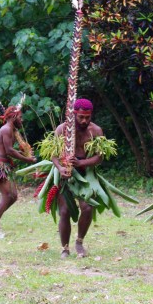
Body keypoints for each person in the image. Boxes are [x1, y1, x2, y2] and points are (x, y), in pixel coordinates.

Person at [52, 98, 103, 258]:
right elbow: (53, 154)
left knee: (87, 208)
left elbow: (99, 157)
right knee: (65, 211)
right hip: (65, 173)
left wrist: (82, 162)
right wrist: (60, 168)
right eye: (81, 117)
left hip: (85, 173)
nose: (84, 120)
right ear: (74, 115)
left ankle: (79, 241)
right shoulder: (62, 130)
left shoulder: (96, 131)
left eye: (87, 117)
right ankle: (65, 248)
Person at [0, 106, 36, 232]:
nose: (22, 120)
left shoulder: (11, 129)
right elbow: (9, 150)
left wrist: (25, 151)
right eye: (20, 117)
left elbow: (11, 149)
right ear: (13, 117)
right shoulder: (6, 129)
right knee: (7, 196)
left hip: (5, 165)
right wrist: (27, 160)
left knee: (14, 196)